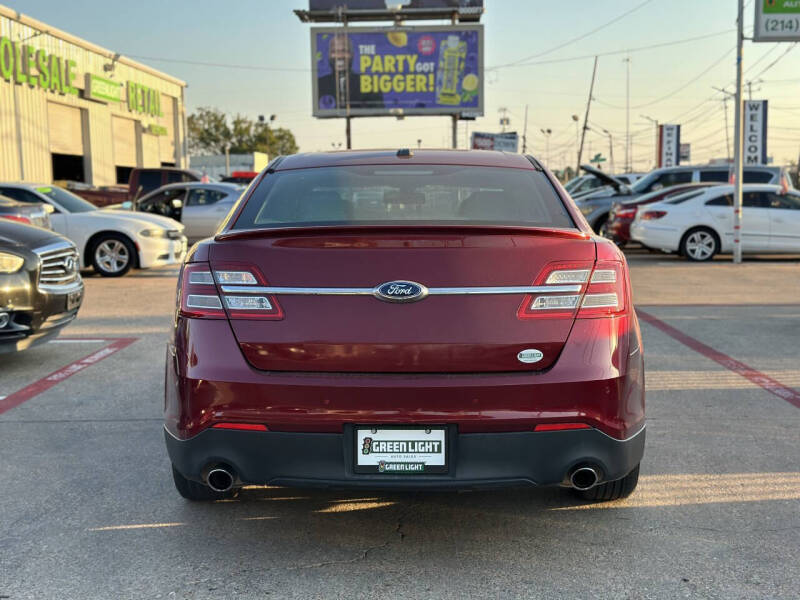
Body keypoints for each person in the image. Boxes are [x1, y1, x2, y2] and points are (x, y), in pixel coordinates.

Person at [317, 33, 384, 111]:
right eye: (334, 51)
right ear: (329, 55)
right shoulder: (319, 85)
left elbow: (377, 110)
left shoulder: (369, 84)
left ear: (352, 54)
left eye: (344, 51)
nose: (339, 56)